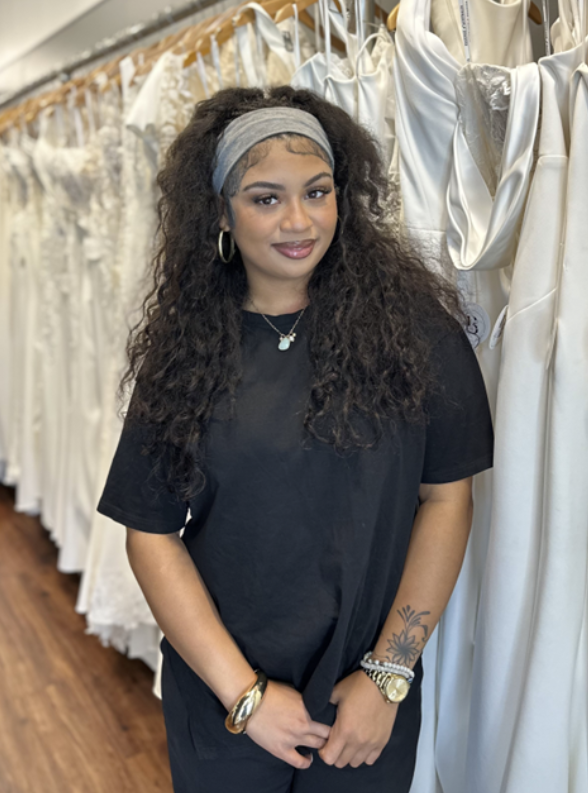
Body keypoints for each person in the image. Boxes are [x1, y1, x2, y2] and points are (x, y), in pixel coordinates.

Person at [97, 85, 494, 793]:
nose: (299, 220)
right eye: (266, 198)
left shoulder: (416, 335)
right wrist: (245, 696)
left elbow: (446, 498)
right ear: (222, 211)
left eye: (317, 192)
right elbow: (150, 534)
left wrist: (389, 672)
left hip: (364, 696)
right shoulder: (186, 354)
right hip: (224, 698)